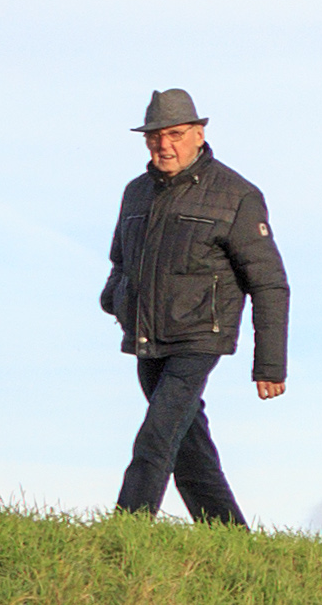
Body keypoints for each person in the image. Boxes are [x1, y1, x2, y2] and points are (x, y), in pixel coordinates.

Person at [103, 87, 289, 524]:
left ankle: (127, 525)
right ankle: (227, 534)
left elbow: (270, 284)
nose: (164, 145)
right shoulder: (136, 193)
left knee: (157, 434)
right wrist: (115, 299)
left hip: (200, 337)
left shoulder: (236, 195)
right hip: (147, 334)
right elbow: (120, 259)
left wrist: (270, 366)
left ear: (199, 134)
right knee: (188, 446)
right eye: (154, 137)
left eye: (176, 134)